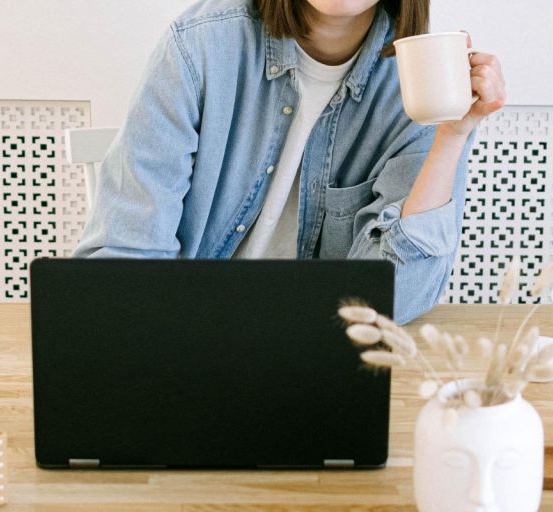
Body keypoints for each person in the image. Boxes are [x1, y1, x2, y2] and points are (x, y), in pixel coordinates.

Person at [74, 0, 506, 324]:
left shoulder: (423, 79)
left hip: (320, 362)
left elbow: (391, 300)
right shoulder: (201, 46)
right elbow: (123, 262)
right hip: (186, 338)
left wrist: (452, 135)